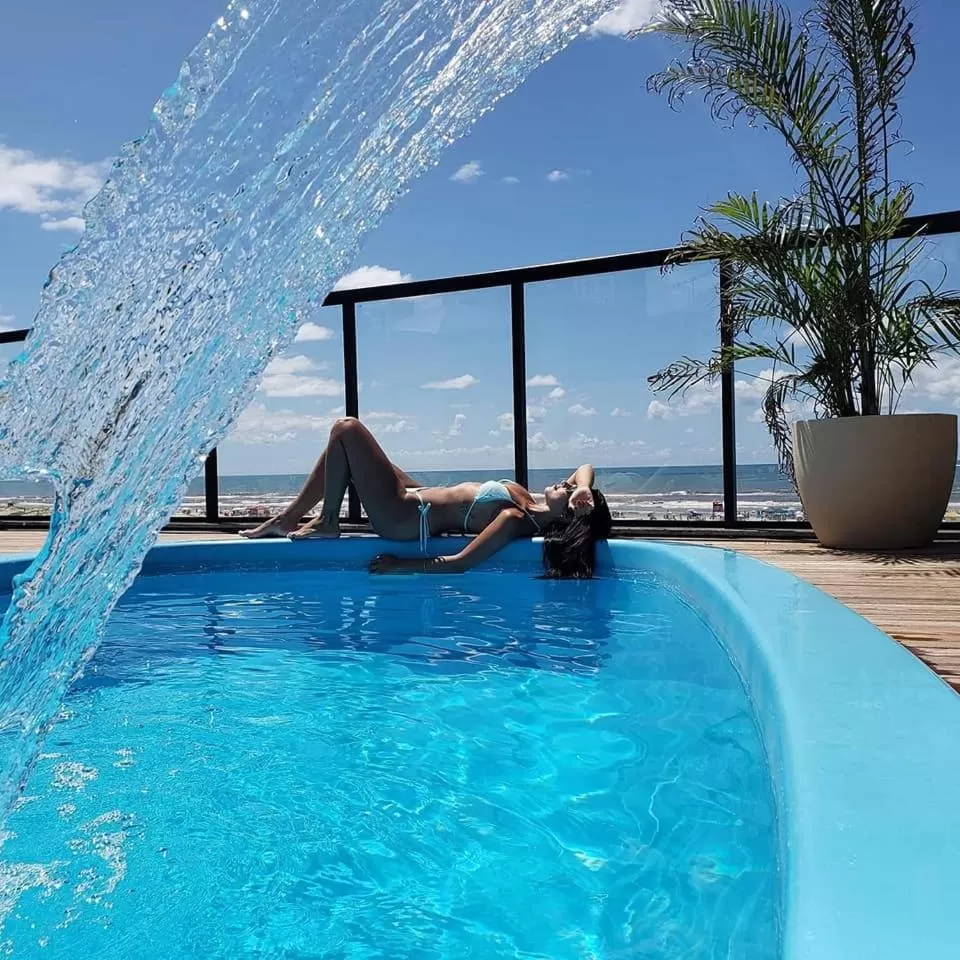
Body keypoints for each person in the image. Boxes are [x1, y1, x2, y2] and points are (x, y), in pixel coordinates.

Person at [240, 417, 612, 577]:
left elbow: (459, 564)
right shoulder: (530, 501)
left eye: (569, 492)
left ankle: (327, 521)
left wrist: (400, 567)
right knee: (342, 451)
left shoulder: (514, 519)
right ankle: (292, 518)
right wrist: (583, 490)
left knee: (347, 430)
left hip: (404, 517)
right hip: (413, 495)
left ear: (568, 517)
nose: (565, 485)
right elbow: (586, 466)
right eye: (570, 486)